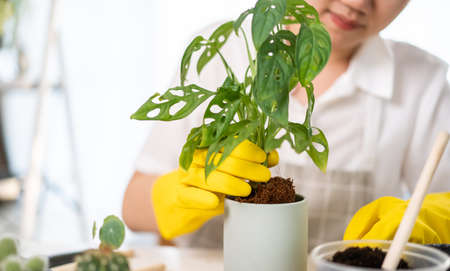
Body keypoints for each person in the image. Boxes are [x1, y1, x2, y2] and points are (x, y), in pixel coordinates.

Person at [122, 0, 450, 250]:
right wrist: (177, 196)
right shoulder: (225, 50)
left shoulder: (422, 81)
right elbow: (132, 209)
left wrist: (434, 216)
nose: (358, 2)